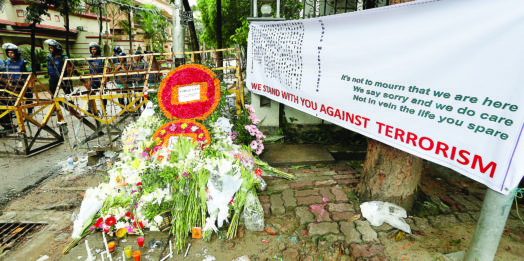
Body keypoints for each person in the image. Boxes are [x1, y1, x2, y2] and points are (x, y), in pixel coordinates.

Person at [2, 43, 32, 130]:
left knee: (29, 97)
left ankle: (29, 111)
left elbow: (29, 73)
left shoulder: (24, 62)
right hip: (12, 83)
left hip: (23, 83)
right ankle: (16, 112)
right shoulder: (6, 63)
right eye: (8, 53)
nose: (10, 54)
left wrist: (29, 83)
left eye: (11, 52)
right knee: (13, 98)